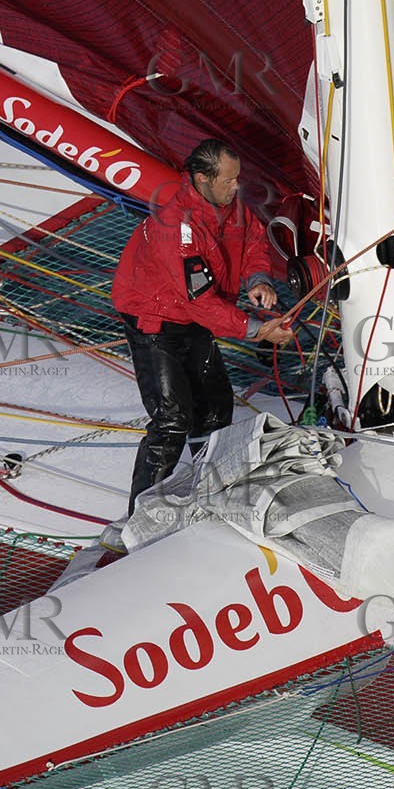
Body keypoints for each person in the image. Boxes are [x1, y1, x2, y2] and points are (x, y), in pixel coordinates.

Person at [112, 138, 292, 514]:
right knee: (172, 419)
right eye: (229, 180)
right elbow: (201, 302)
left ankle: (205, 493)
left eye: (236, 179)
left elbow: (254, 239)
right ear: (201, 179)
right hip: (155, 322)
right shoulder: (176, 229)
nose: (236, 186)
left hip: (195, 318)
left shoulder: (228, 205)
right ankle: (142, 516)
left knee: (214, 408)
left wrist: (258, 278)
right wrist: (255, 329)